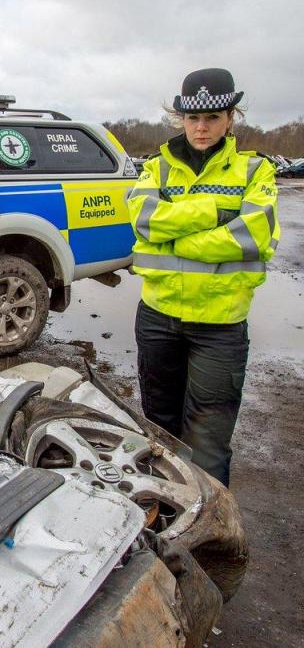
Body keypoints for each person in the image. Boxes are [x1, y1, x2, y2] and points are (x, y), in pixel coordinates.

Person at [126, 68, 280, 487]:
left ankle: (209, 530)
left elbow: (252, 235)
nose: (201, 127)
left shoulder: (254, 172)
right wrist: (215, 213)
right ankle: (165, 511)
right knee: (159, 431)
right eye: (193, 118)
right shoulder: (155, 169)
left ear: (231, 117)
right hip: (158, 320)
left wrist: (175, 240)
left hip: (220, 327)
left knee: (208, 442)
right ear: (180, 118)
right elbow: (143, 221)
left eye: (212, 117)